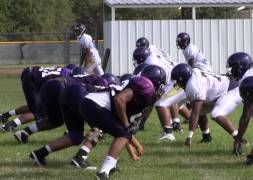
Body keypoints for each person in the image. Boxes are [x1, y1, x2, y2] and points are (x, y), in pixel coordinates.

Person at [29, 65, 166, 180]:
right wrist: (128, 131)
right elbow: (120, 101)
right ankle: (103, 171)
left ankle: (39, 153)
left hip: (85, 101)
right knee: (117, 131)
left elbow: (122, 130)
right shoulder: (147, 87)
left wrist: (134, 147)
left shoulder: (141, 98)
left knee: (77, 136)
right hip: (91, 102)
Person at [171, 63, 241, 147]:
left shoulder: (193, 85)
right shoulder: (192, 76)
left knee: (216, 114)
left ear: (183, 78)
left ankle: (239, 138)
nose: (177, 83)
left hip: (229, 89)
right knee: (199, 109)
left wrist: (189, 137)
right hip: (221, 88)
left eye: (178, 80)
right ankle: (206, 137)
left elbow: (195, 113)